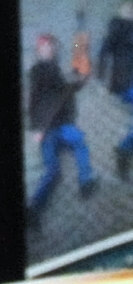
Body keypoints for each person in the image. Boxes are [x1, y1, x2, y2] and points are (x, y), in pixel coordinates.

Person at [30, 29, 93, 217]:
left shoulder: (56, 68)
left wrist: (81, 78)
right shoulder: (38, 71)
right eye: (44, 47)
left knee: (79, 143)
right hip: (49, 128)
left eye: (51, 47)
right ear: (39, 50)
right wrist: (38, 128)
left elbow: (71, 85)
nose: (48, 50)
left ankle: (86, 182)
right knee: (53, 172)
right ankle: (33, 209)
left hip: (62, 125)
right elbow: (35, 101)